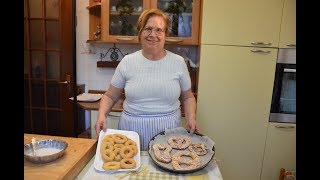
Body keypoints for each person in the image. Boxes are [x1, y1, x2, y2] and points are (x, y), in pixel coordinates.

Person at [95, 8, 199, 151]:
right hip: (132, 133)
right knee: (131, 172)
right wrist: (102, 114)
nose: (153, 35)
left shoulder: (178, 62)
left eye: (159, 30)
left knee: (165, 171)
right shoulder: (127, 62)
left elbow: (188, 97)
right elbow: (110, 96)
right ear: (140, 33)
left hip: (169, 134)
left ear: (165, 34)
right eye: (148, 29)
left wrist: (191, 118)